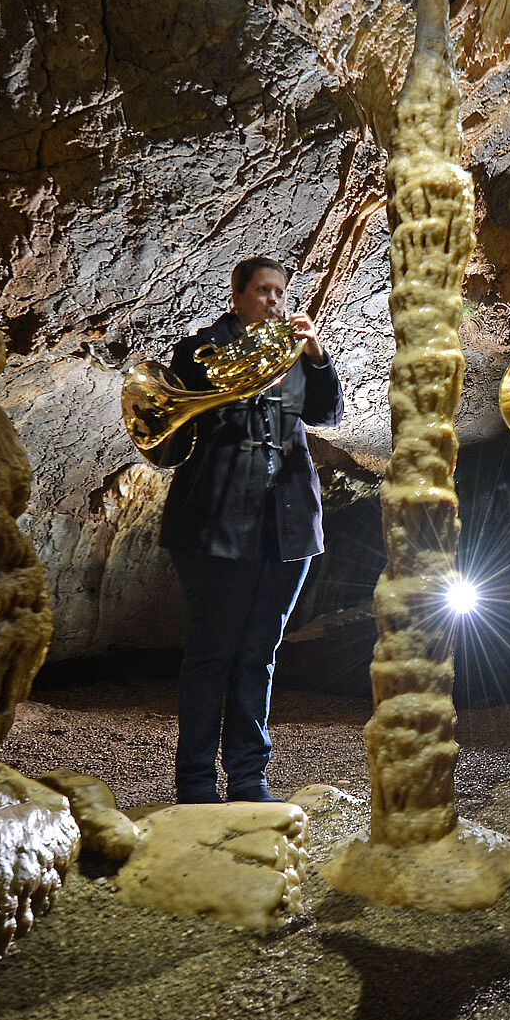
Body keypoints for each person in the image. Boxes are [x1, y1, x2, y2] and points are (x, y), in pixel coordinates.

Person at [157, 256, 342, 804]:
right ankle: (194, 781)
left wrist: (316, 355)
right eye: (263, 291)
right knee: (212, 650)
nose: (275, 302)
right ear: (238, 295)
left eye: (281, 293)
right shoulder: (200, 350)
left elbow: (327, 413)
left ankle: (248, 777)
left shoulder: (294, 353)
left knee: (260, 650)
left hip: (285, 524)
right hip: (216, 522)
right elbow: (173, 432)